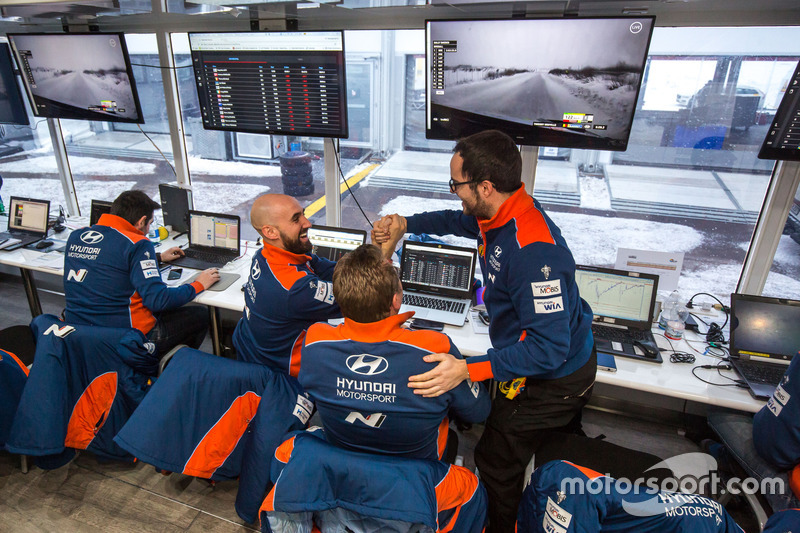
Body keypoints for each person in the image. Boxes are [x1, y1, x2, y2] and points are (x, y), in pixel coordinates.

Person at [373, 129, 596, 532]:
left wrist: (466, 369)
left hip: (555, 376)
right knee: (536, 442)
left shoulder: (533, 252)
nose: (455, 192)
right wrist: (406, 223)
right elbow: (458, 221)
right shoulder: (501, 211)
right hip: (535, 357)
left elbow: (547, 349)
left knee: (494, 457)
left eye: (456, 184)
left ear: (486, 186)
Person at [298, 243, 490, 461]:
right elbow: (478, 411)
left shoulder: (315, 341)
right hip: (419, 469)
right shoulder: (435, 347)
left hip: (346, 458)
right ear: (396, 300)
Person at [64, 190, 219, 356]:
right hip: (127, 338)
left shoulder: (77, 236)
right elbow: (158, 300)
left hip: (81, 334)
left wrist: (157, 257)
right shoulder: (138, 243)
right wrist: (198, 284)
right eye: (150, 223)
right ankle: (162, 367)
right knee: (200, 314)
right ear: (141, 221)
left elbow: (109, 260)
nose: (147, 230)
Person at [232, 193, 343, 375]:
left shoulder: (266, 254)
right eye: (296, 219)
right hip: (283, 375)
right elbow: (360, 298)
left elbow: (326, 267)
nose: (307, 223)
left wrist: (368, 256)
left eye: (303, 214)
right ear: (270, 232)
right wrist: (384, 251)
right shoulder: (295, 288)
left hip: (253, 353)